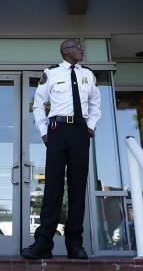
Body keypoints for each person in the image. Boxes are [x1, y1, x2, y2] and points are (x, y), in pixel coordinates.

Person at [21, 38, 101, 260]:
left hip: (80, 132)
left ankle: (75, 244)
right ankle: (43, 243)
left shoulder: (87, 75)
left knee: (77, 187)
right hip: (57, 130)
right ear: (66, 52)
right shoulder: (52, 73)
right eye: (78, 47)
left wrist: (90, 126)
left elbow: (95, 103)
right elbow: (38, 104)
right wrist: (44, 131)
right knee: (53, 187)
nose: (82, 50)